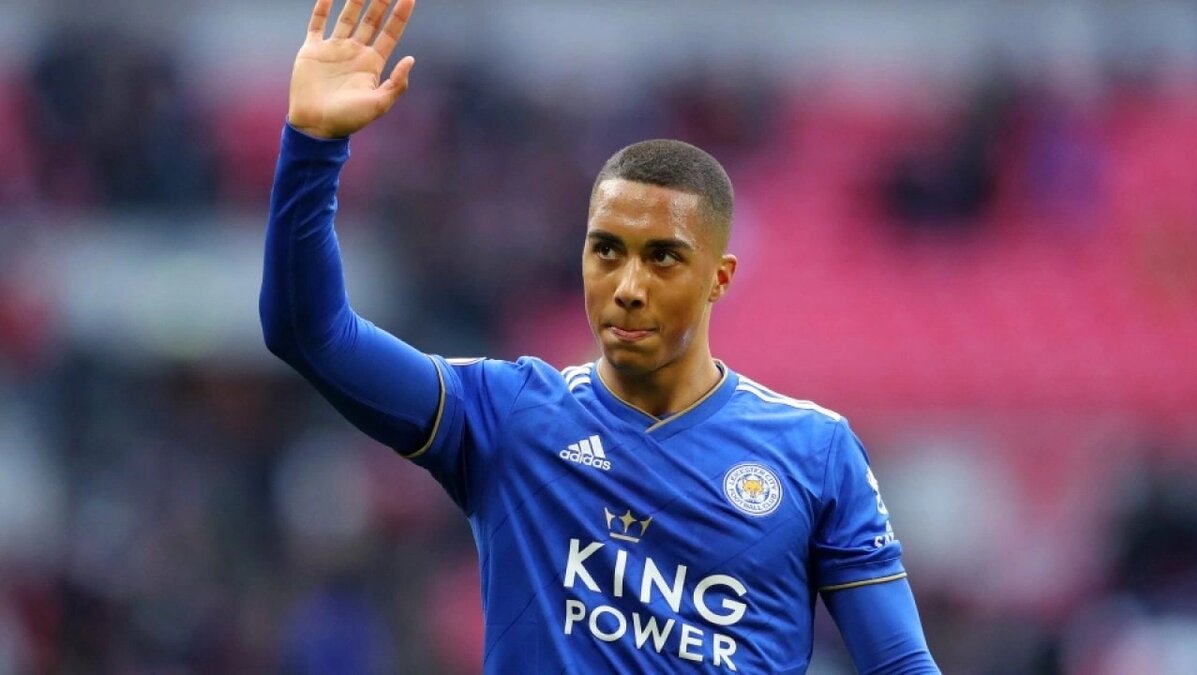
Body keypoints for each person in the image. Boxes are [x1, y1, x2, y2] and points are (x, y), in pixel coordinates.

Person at [261, 0, 941, 672]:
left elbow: (900, 664)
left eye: (663, 257)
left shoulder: (815, 452)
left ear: (719, 278)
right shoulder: (508, 418)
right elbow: (309, 332)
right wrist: (313, 147)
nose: (629, 285)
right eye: (607, 251)